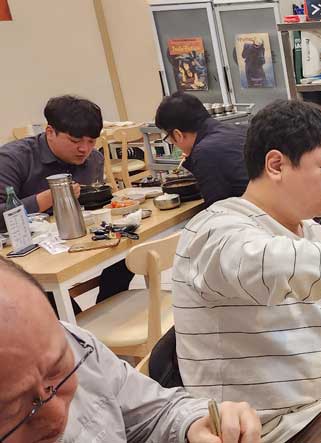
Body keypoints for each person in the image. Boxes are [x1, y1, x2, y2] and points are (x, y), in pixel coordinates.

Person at [171, 99, 321, 442]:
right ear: (276, 165)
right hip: (294, 423)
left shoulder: (312, 233)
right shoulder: (214, 229)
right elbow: (263, 265)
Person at [0, 257, 261, 443]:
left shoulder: (75, 344)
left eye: (58, 371)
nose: (58, 417)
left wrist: (193, 423)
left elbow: (155, 413)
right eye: (11, 408)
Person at [0, 95, 133, 310]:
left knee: (128, 249)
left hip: (66, 240)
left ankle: (105, 311)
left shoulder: (93, 160)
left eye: (91, 141)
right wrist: (46, 198)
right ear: (50, 132)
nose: (84, 149)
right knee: (45, 294)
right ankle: (71, 322)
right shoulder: (12, 159)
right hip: (20, 253)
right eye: (75, 141)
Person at [154, 92, 249, 207]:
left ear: (178, 134)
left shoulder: (205, 151)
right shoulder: (238, 129)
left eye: (169, 138)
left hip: (250, 214)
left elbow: (216, 207)